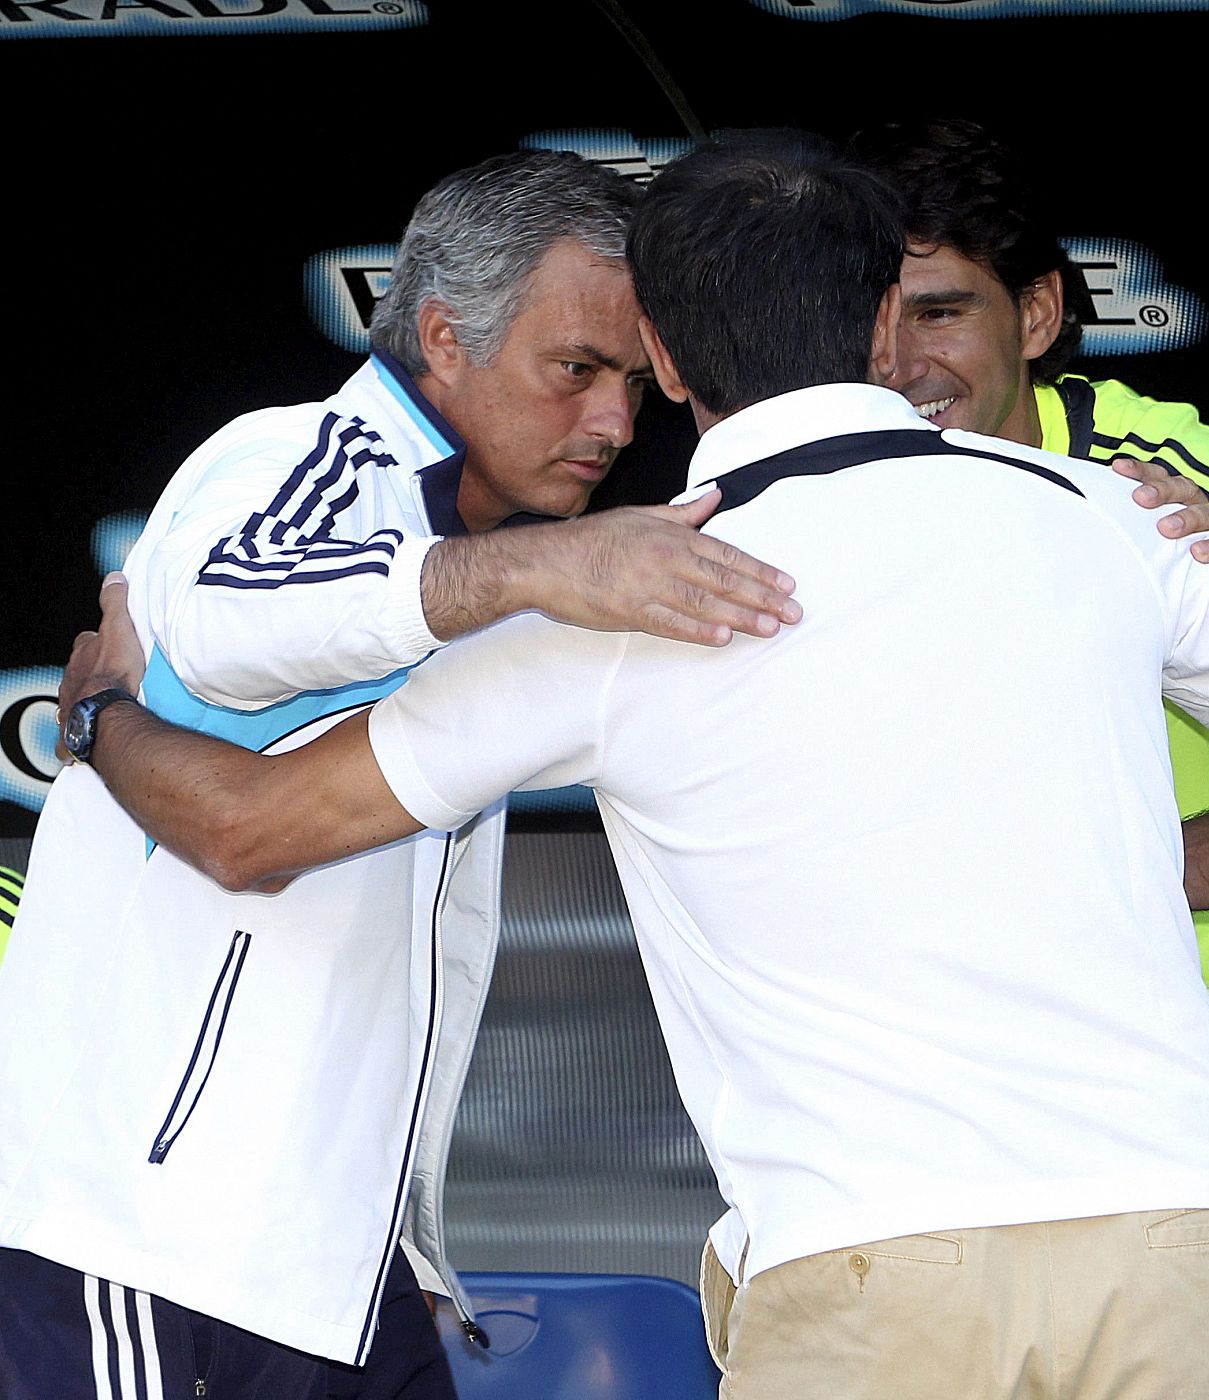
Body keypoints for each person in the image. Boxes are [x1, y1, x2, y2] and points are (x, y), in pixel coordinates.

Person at [52, 130, 1209, 1400]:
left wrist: (103, 717)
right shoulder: (1110, 521)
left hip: (868, 1271)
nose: (612, 416)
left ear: (670, 361)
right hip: (1183, 1239)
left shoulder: (624, 601)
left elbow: (248, 829)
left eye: (626, 373)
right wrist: (1122, 871)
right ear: (875, 333)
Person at [0, 149, 807, 1400]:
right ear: (442, 332)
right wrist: (535, 573)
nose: (612, 422)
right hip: (143, 1242)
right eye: (577, 370)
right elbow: (225, 614)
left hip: (337, 1260)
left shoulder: (472, 549)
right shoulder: (296, 460)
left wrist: (410, 1229)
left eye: (636, 386)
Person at [854, 115, 1209, 1400]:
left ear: (1037, 314)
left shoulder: (1152, 485)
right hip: (967, 1061)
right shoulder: (837, 490)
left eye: (940, 313)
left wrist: (1102, 875)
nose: (897, 361)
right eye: (869, 316)